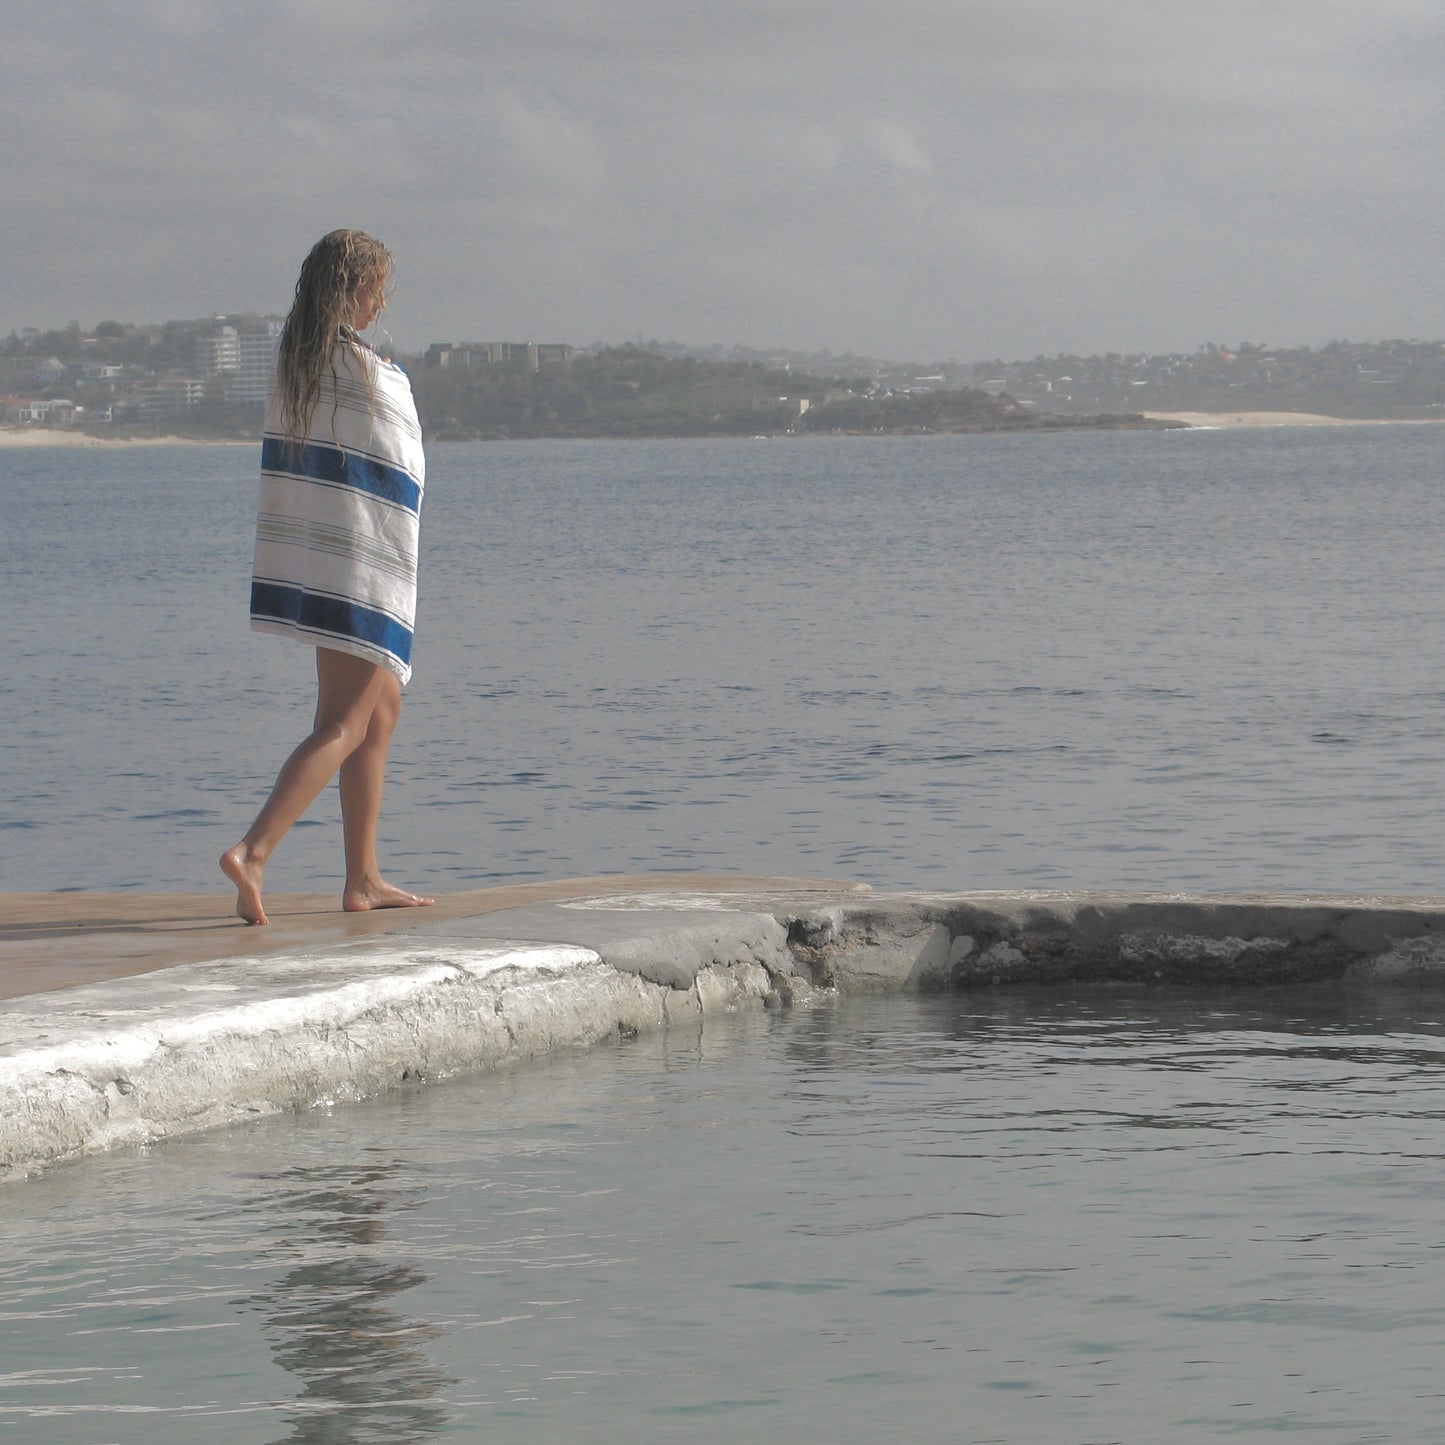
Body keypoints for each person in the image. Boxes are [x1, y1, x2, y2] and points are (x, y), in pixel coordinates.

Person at [220, 229, 434, 926]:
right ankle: (254, 849)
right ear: (351, 291)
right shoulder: (357, 369)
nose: (379, 302)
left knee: (379, 711)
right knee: (342, 720)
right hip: (360, 564)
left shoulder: (307, 359)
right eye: (374, 289)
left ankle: (362, 876)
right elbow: (390, 465)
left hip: (326, 559)